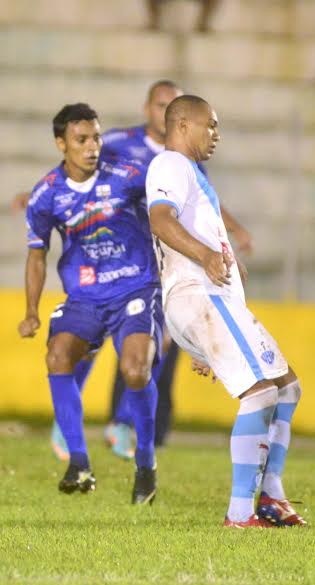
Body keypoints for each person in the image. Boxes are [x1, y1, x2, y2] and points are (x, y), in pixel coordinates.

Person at [146, 94, 305, 528]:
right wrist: (208, 256)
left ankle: (271, 494)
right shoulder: (171, 164)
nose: (216, 134)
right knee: (261, 393)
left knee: (286, 387)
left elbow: (192, 227)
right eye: (210, 125)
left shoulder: (192, 173)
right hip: (200, 297)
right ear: (183, 125)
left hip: (211, 301)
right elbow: (160, 219)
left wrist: (226, 259)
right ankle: (240, 512)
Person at [95, 79, 253, 458]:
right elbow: (80, 169)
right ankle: (119, 422)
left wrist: (229, 238)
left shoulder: (186, 162)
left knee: (160, 345)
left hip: (167, 262)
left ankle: (143, 427)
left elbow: (204, 204)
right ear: (149, 109)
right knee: (138, 340)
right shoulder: (121, 144)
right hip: (131, 259)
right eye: (160, 104)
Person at [18, 103, 164, 504]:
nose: (92, 147)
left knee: (135, 369)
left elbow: (168, 206)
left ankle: (146, 464)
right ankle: (79, 463)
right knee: (58, 355)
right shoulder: (46, 194)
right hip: (85, 295)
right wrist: (31, 311)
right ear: (61, 144)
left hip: (136, 287)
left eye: (96, 137)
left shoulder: (128, 176)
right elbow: (36, 254)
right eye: (81, 139)